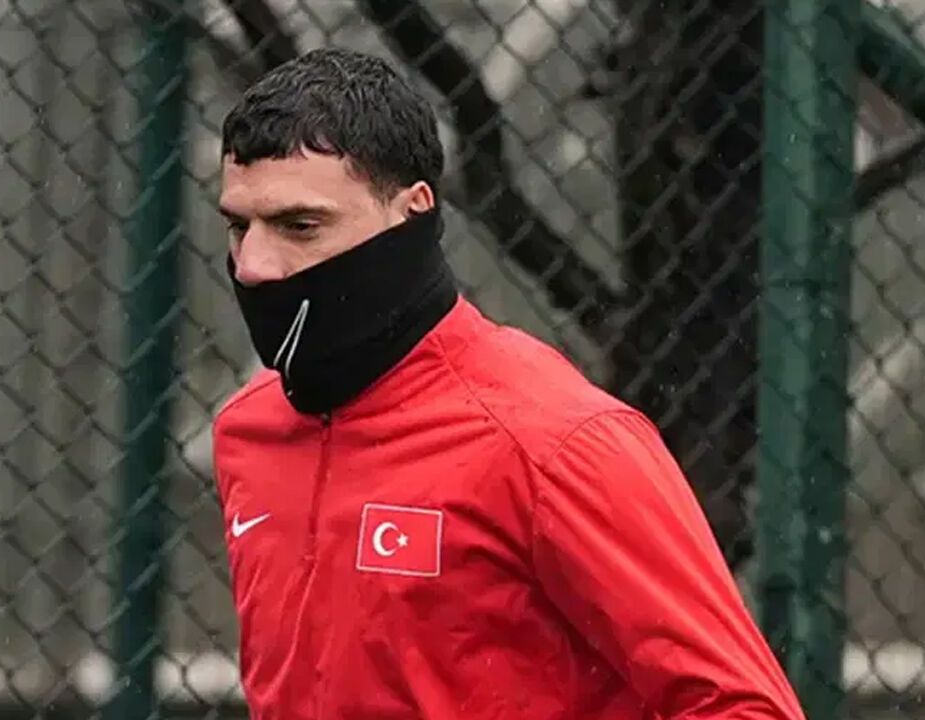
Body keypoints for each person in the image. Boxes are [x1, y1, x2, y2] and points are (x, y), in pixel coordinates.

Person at [212, 47, 805, 719]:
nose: (253, 265)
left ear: (411, 212)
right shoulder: (247, 432)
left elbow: (745, 706)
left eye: (300, 226)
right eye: (238, 226)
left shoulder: (553, 442)